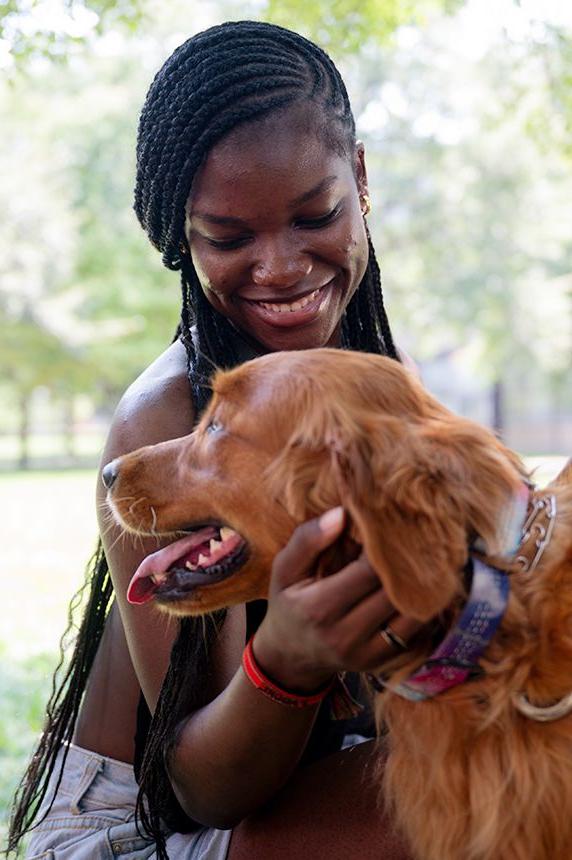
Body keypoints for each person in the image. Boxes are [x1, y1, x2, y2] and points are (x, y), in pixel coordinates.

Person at [9, 20, 420, 860]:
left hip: (312, 782)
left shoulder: (372, 374)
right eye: (228, 239)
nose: (278, 266)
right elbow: (205, 785)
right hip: (140, 827)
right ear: (181, 240)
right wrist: (291, 659)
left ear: (362, 180)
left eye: (317, 214)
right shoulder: (166, 422)